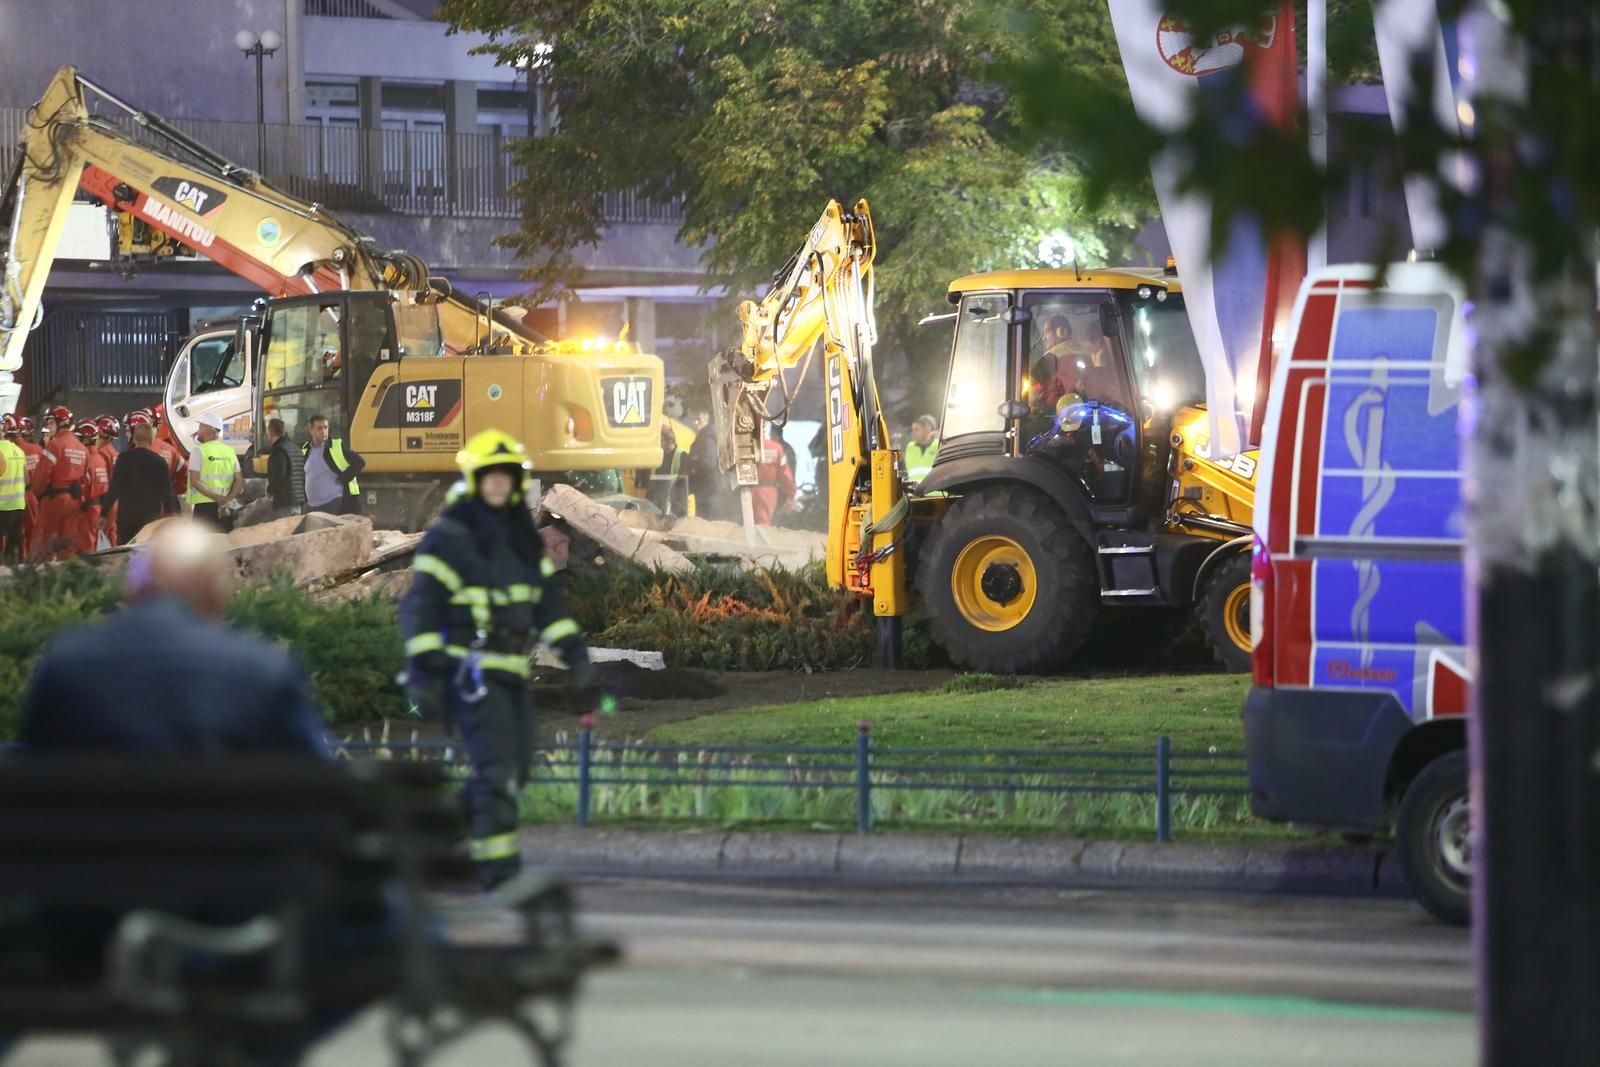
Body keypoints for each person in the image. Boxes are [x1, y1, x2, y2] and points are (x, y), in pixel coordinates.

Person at [400, 429, 613, 889]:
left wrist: (577, 659)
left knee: (516, 769)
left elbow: (547, 609)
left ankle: (430, 839)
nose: (498, 485)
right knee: (497, 768)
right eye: (489, 477)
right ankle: (497, 870)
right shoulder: (451, 537)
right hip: (468, 672)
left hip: (512, 674)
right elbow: (421, 609)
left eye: (506, 478)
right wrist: (423, 675)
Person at [21, 518, 327, 753]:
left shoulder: (65, 665)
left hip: (100, 835)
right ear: (215, 596)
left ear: (131, 590)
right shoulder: (264, 673)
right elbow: (315, 779)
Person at [103, 420, 181, 546]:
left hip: (126, 517)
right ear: (151, 439)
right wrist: (169, 513)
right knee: (147, 551)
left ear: (134, 439)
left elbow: (114, 489)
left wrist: (103, 514)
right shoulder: (159, 462)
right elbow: (167, 492)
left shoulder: (123, 459)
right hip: (150, 517)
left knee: (124, 550)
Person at [38, 410, 89, 560]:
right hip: (74, 502)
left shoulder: (54, 445)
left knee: (46, 544)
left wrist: (38, 493)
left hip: (53, 501)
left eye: (52, 423)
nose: (49, 426)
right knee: (68, 546)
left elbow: (42, 474)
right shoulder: (83, 449)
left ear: (62, 424)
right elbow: (85, 480)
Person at [186, 412, 242, 529]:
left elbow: (195, 481)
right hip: (226, 507)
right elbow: (239, 480)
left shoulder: (199, 451)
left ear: (209, 430)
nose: (198, 431)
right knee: (224, 542)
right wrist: (229, 498)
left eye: (200, 427)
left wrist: (216, 497)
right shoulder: (229, 451)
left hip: (204, 508)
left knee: (203, 543)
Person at [303, 414, 364, 515]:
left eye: (325, 428)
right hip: (312, 505)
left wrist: (342, 478)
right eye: (319, 428)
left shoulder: (336, 446)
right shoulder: (305, 449)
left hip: (334, 502)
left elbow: (359, 462)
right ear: (311, 431)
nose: (323, 431)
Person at [72, 421, 112, 555]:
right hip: (99, 509)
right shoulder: (100, 458)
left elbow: (83, 487)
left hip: (87, 511)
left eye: (77, 438)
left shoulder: (87, 460)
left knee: (87, 548)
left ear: (86, 439)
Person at [685, 408, 729, 521]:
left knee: (709, 523)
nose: (695, 422)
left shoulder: (708, 437)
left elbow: (708, 462)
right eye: (694, 419)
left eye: (698, 419)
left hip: (709, 489)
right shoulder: (704, 436)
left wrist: (692, 465)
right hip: (708, 489)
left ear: (706, 420)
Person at [748, 422, 795, 526]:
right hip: (767, 492)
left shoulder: (745, 447)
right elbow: (785, 474)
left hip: (746, 491)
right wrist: (790, 493)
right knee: (763, 524)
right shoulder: (776, 448)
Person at [263, 417, 307, 519]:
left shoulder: (279, 451)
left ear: (270, 432)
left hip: (284, 503)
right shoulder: (296, 449)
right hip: (298, 502)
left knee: (282, 533)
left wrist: (269, 491)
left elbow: (279, 476)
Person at [646, 422, 688, 517]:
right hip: (661, 498)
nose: (658, 443)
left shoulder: (681, 455)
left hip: (675, 501)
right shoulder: (660, 455)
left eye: (660, 440)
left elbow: (683, 482)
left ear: (668, 440)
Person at [0, 417, 26, 564]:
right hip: (18, 506)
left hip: (2, 508)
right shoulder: (18, 451)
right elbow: (27, 480)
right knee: (13, 546)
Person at [93, 415, 121, 545]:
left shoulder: (101, 453)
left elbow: (101, 482)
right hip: (116, 502)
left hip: (105, 503)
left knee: (99, 539)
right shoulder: (115, 453)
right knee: (112, 538)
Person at [904, 414, 940, 484]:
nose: (913, 433)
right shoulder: (910, 447)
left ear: (928, 430)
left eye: (917, 430)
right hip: (914, 493)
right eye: (912, 430)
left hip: (936, 494)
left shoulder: (940, 446)